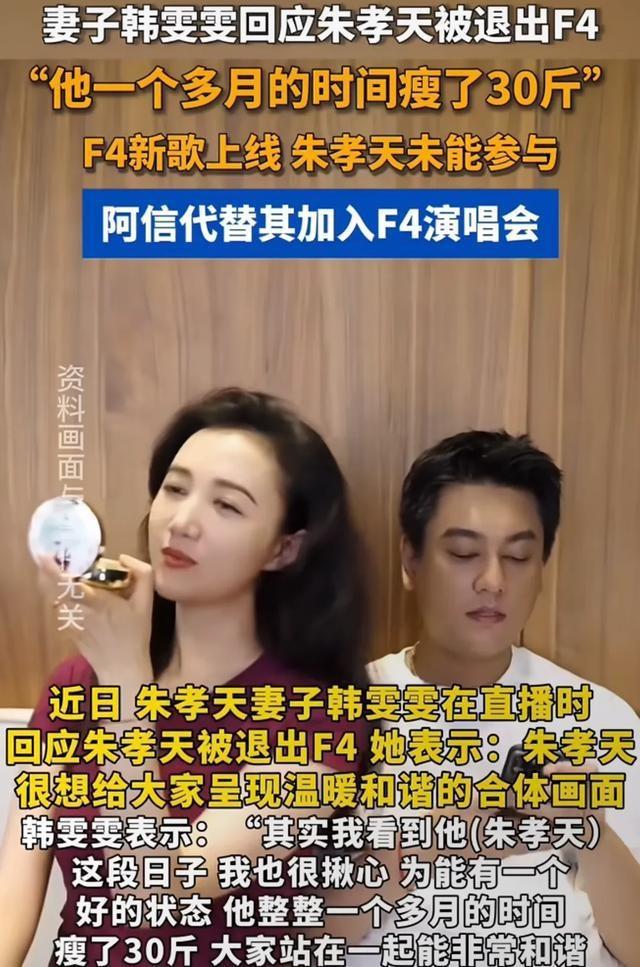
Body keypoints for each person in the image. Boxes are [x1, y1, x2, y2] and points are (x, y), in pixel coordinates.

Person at [0, 387, 373, 967]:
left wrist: (125, 680)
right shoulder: (76, 683)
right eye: (175, 489)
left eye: (227, 505)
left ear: (283, 548)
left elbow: (157, 886)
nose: (182, 521)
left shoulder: (320, 716)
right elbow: (13, 893)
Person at [351, 430, 640, 967]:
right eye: (464, 553)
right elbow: (296, 926)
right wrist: (439, 835)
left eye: (518, 556)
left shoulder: (602, 718)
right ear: (410, 560)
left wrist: (590, 830)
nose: (493, 580)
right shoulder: (343, 713)